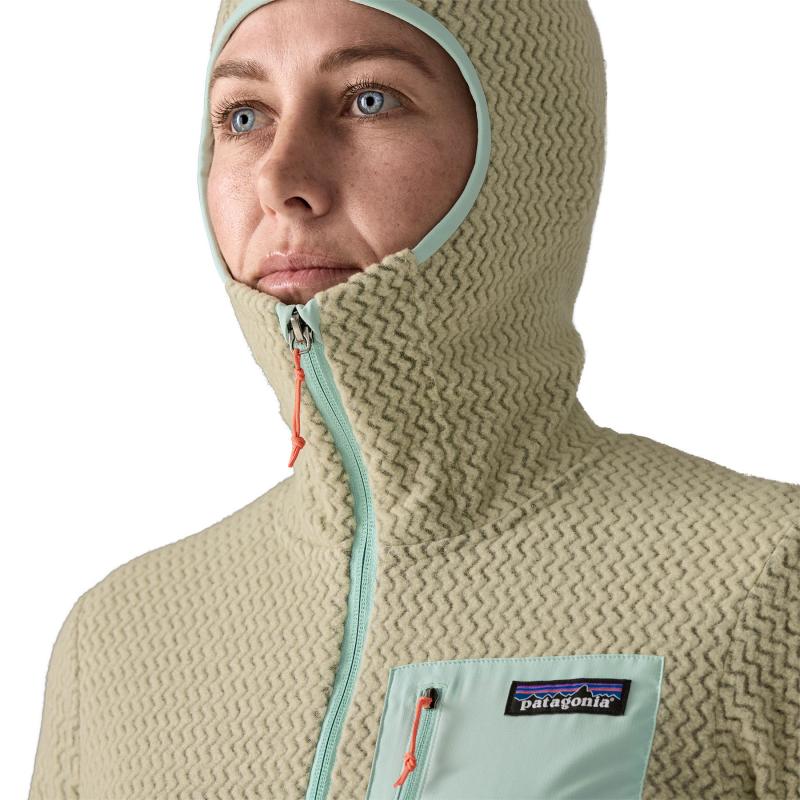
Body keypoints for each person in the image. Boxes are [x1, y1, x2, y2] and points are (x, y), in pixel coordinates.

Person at [28, 1, 799, 799]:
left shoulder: (767, 583)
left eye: (369, 100)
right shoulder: (116, 643)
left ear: (529, 150)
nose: (281, 181)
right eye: (245, 116)